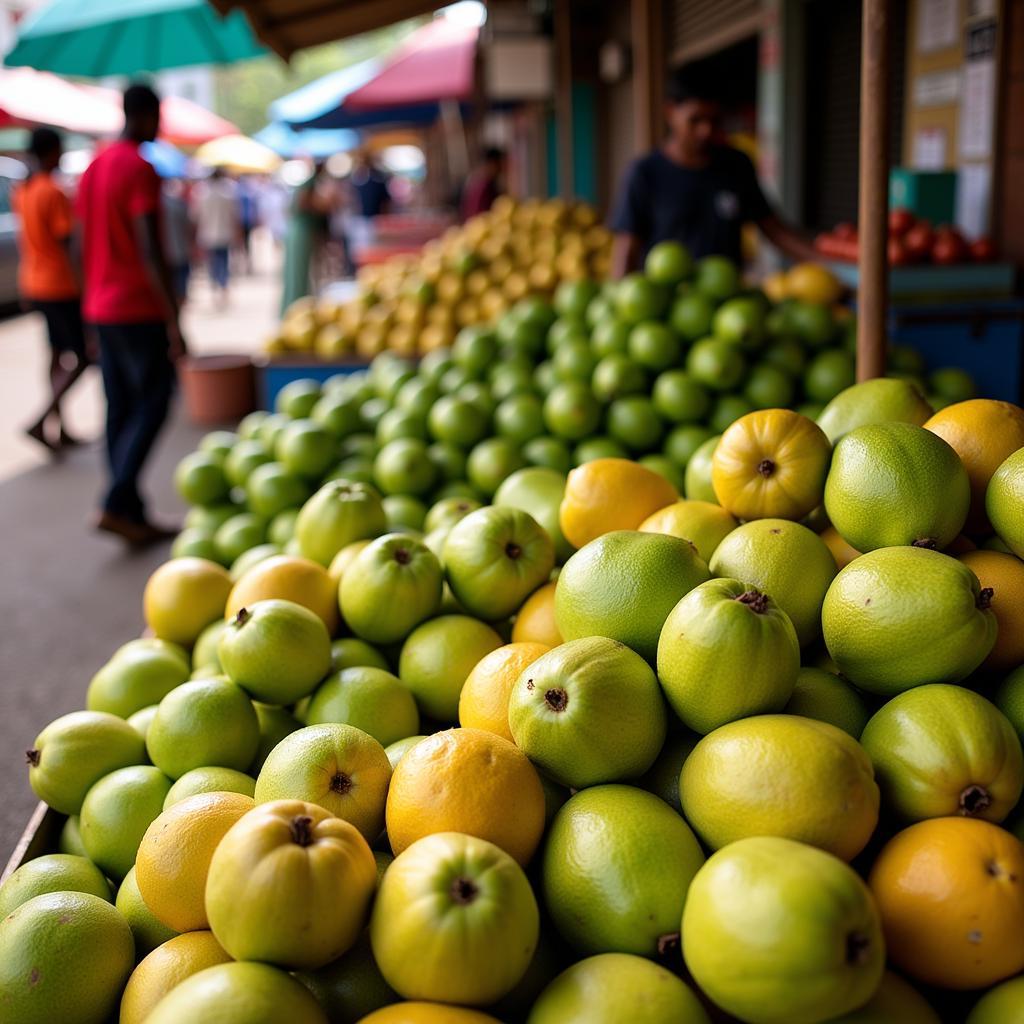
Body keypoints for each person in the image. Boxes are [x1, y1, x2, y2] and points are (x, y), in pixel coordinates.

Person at [76, 82, 185, 547]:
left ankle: (131, 514)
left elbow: (80, 246)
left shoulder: (93, 167)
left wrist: (87, 310)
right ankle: (116, 500)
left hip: (101, 307)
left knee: (119, 406)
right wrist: (174, 317)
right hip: (137, 308)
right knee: (156, 401)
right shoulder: (139, 168)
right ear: (144, 114)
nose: (159, 126)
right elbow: (149, 245)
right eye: (158, 116)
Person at [611, 66, 819, 277]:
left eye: (714, 121)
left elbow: (774, 230)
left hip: (726, 300)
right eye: (695, 120)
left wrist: (831, 264)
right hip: (669, 304)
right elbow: (627, 248)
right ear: (671, 112)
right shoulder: (645, 173)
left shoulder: (737, 165)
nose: (706, 130)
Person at [13, 127, 90, 453]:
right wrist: (84, 288)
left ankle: (59, 427)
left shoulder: (24, 191)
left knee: (57, 353)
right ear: (51, 152)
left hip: (35, 282)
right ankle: (42, 419)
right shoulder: (53, 192)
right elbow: (67, 245)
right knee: (83, 355)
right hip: (60, 285)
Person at [280, 161, 332, 314]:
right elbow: (304, 204)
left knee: (297, 272)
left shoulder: (309, 183)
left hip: (299, 231)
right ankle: (296, 308)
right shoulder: (310, 183)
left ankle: (296, 307)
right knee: (298, 273)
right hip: (302, 232)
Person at [193, 167, 239, 307]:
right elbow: (234, 215)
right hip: (224, 233)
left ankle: (215, 289)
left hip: (208, 235)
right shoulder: (228, 193)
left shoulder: (202, 193)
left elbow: (196, 216)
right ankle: (223, 289)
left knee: (213, 263)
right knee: (224, 262)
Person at [161, 177, 193, 305]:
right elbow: (189, 226)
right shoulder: (179, 204)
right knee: (181, 284)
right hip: (180, 250)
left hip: (167, 252)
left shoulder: (160, 206)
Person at [461, 147, 505, 220]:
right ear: (493, 163)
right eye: (500, 164)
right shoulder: (485, 185)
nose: (502, 169)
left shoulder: (475, 180)